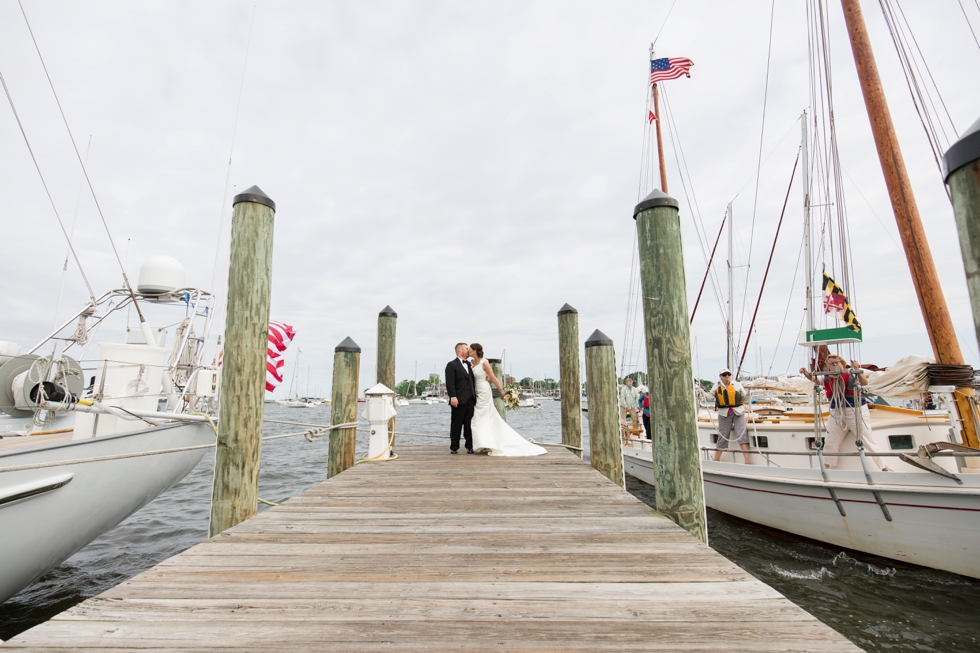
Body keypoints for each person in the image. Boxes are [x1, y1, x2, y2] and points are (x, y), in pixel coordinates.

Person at [800, 354, 889, 470]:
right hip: (837, 410)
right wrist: (806, 373)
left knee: (866, 439)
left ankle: (884, 467)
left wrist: (858, 369)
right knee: (831, 440)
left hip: (855, 409)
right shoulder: (827, 377)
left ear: (842, 364)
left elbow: (864, 382)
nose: (834, 365)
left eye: (836, 363)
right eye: (831, 364)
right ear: (828, 366)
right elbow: (815, 379)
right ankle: (826, 466)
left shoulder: (852, 373)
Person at [467, 343, 547, 456]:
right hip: (476, 391)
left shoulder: (484, 363)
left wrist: (502, 391)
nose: (469, 350)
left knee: (478, 417)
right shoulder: (472, 363)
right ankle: (485, 443)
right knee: (482, 417)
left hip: (484, 391)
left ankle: (485, 443)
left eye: (470, 349)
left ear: (475, 350)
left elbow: (493, 378)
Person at [712, 369, 751, 464]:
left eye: (728, 374)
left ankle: (747, 461)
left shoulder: (737, 385)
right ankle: (716, 460)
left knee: (742, 434)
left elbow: (744, 399)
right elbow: (710, 397)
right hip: (724, 414)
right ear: (720, 376)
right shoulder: (716, 386)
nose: (727, 376)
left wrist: (749, 395)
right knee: (723, 435)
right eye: (724, 374)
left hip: (738, 412)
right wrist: (701, 392)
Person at [445, 342, 476, 453]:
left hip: (470, 399)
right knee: (456, 423)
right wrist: (453, 396)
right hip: (458, 399)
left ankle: (469, 446)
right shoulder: (451, 365)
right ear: (460, 350)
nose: (469, 350)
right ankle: (454, 447)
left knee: (469, 424)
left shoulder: (469, 364)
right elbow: (450, 383)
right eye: (467, 348)